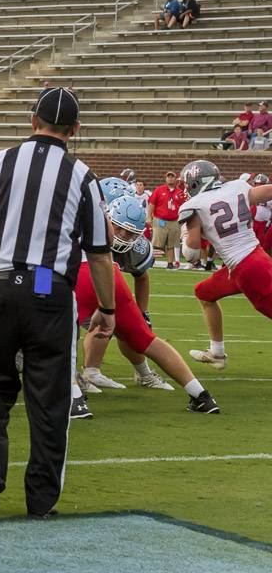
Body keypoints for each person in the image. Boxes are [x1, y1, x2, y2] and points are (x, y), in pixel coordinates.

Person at [0, 86, 114, 518]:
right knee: (50, 398)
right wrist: (108, 308)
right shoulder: (81, 174)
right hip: (48, 287)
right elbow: (100, 251)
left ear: (32, 121)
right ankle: (40, 500)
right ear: (75, 129)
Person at [76, 194, 219, 411]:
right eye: (119, 228)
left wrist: (142, 312)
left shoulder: (86, 211)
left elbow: (141, 276)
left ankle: (74, 398)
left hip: (82, 272)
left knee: (53, 333)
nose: (124, 236)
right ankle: (201, 395)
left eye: (131, 232)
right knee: (145, 339)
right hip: (101, 272)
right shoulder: (89, 207)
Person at [180, 161, 272, 370]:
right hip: (246, 262)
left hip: (247, 268)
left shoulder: (194, 205)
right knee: (204, 293)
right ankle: (217, 353)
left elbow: (192, 254)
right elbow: (267, 192)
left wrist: (186, 233)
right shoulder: (236, 187)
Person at [148, 171, 187, 268]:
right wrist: (149, 217)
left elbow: (183, 206)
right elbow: (152, 204)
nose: (170, 179)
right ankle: (150, 261)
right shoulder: (159, 190)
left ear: (175, 179)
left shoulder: (180, 192)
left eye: (172, 177)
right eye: (168, 177)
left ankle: (170, 263)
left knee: (172, 244)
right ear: (166, 178)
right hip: (160, 219)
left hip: (174, 221)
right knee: (157, 243)